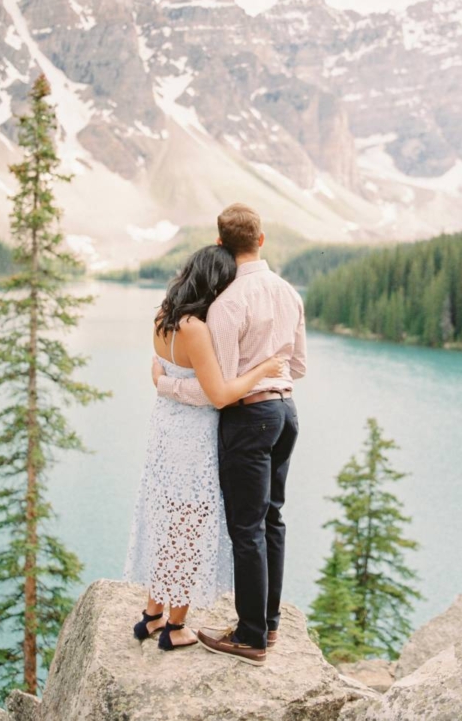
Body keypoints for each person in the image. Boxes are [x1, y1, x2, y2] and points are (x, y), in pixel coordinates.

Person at [153, 203, 306, 667]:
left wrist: (166, 383)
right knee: (272, 519)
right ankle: (270, 624)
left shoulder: (227, 301)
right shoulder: (288, 292)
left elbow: (212, 389)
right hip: (286, 412)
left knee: (246, 529)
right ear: (261, 240)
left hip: (249, 417)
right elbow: (296, 366)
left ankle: (250, 636)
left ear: (221, 243)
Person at [124, 244, 288, 650]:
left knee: (169, 521)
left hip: (164, 432)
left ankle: (151, 615)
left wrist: (163, 384)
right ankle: (175, 628)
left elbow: (176, 379)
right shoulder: (195, 327)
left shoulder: (163, 316)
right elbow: (218, 394)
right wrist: (263, 370)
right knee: (188, 526)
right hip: (192, 441)